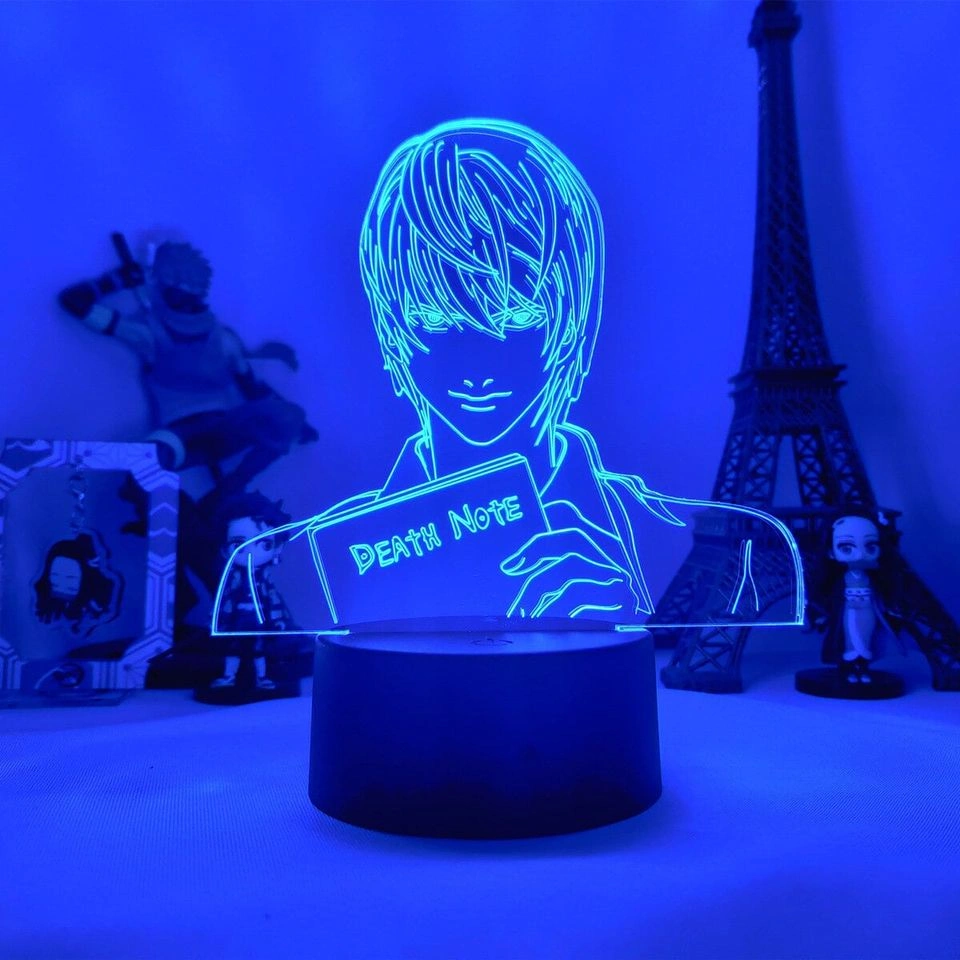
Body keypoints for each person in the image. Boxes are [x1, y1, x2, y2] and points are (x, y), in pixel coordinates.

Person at [213, 118, 803, 634]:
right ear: (394, 326)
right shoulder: (301, 568)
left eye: (518, 317)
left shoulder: (716, 548)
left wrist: (623, 637)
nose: (476, 367)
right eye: (435, 318)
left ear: (571, 321)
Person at [57, 238, 317, 501]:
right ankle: (186, 514)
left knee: (287, 416)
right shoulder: (148, 334)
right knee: (145, 465)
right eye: (177, 289)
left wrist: (299, 424)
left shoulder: (223, 339)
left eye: (192, 292)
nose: (188, 297)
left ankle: (229, 492)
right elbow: (75, 301)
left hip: (226, 427)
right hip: (179, 435)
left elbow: (254, 388)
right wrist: (116, 280)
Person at [207, 493, 297, 690]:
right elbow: (224, 600)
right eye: (238, 544)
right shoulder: (233, 579)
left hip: (259, 619)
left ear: (277, 547)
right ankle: (229, 676)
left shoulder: (265, 580)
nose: (251, 552)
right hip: (238, 617)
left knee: (259, 648)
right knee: (233, 647)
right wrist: (217, 618)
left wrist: (278, 620)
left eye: (265, 544)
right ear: (224, 549)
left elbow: (273, 600)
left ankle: (262, 677)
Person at [807, 509, 905, 685]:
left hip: (868, 612)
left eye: (871, 546)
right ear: (830, 552)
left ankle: (862, 668)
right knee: (849, 640)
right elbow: (825, 597)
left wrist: (891, 609)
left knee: (866, 641)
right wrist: (821, 614)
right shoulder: (841, 579)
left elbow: (884, 596)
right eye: (846, 548)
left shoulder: (873, 578)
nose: (860, 554)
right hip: (848, 612)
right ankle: (850, 669)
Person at [34, 532, 122, 635]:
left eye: (70, 578)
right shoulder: (46, 608)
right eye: (55, 575)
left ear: (84, 578)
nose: (62, 584)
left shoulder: (93, 607)